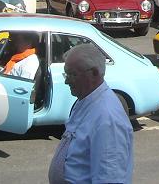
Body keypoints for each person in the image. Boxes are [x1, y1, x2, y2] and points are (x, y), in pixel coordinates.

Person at [48, 43, 132, 184]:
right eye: (66, 74)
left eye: (72, 74)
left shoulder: (107, 118)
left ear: (94, 73)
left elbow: (110, 178)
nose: (67, 81)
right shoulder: (85, 100)